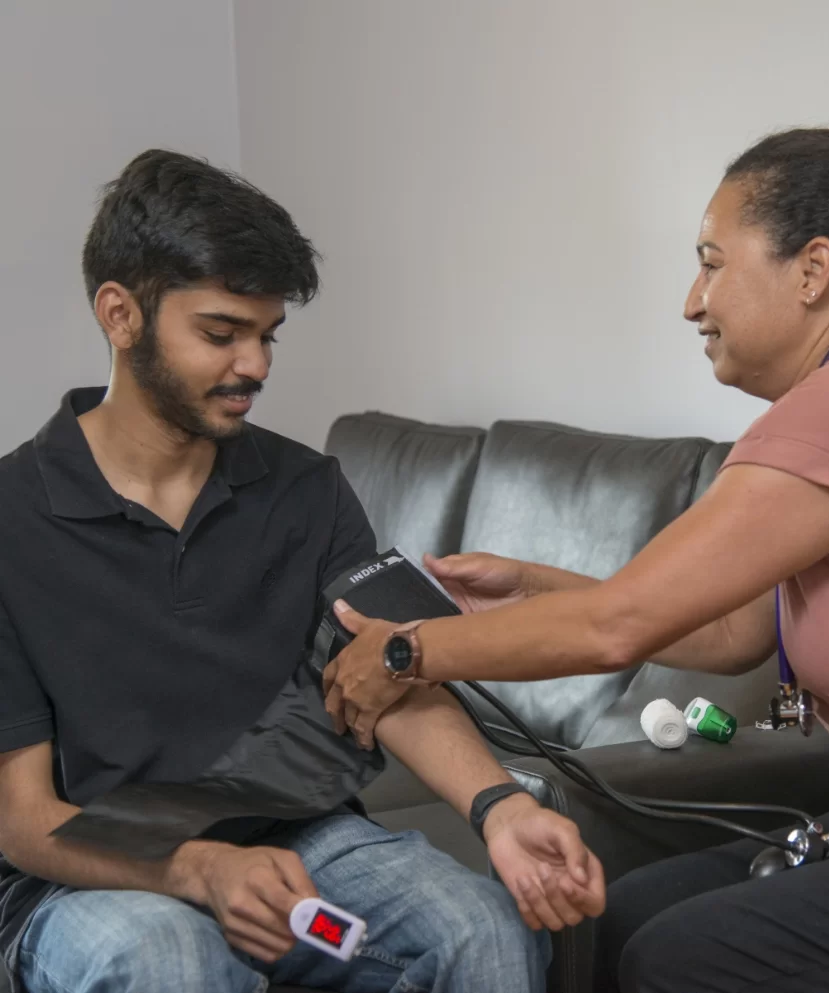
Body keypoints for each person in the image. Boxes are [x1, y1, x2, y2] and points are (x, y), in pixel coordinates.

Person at [0, 150, 606, 993]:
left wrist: (500, 807)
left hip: (295, 833)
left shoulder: (305, 486)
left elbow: (393, 674)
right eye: (221, 333)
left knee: (482, 925)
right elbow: (24, 821)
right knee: (171, 956)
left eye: (266, 335)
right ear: (120, 314)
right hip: (89, 873)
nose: (256, 365)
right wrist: (193, 866)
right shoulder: (10, 518)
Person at [323, 127, 829, 992]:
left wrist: (407, 651)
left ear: (813, 272)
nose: (691, 301)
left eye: (712, 262)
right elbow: (738, 630)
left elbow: (618, 626)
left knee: (679, 959)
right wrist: (527, 590)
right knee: (626, 914)